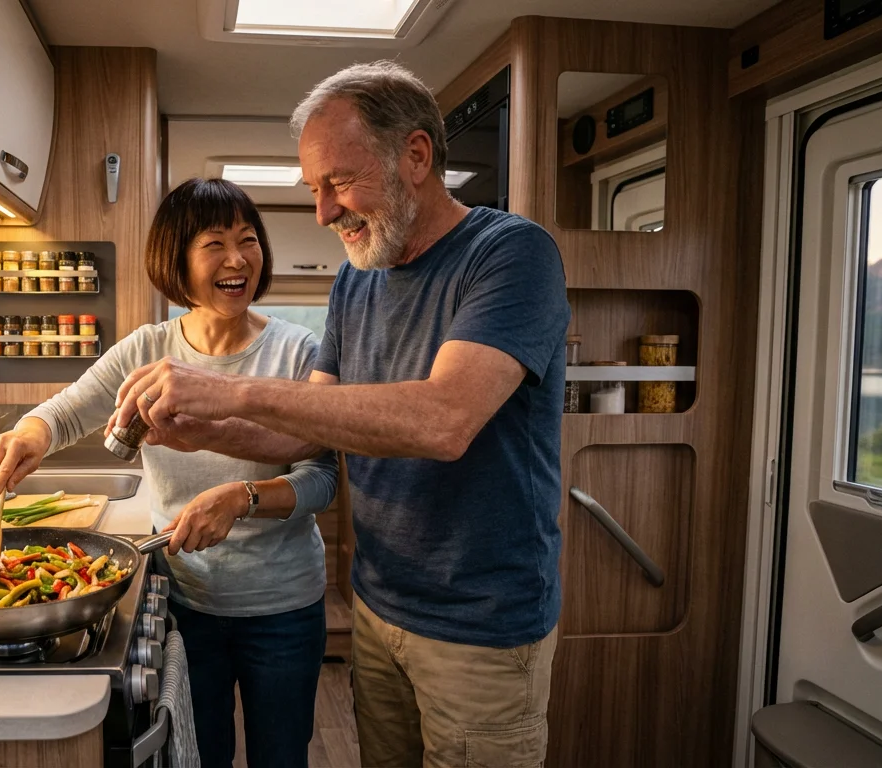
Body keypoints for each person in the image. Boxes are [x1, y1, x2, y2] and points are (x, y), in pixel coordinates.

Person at [109, 61, 570, 768]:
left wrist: (230, 392)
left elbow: (443, 420)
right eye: (314, 190)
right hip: (379, 609)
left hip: (481, 625)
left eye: (340, 182)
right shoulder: (358, 278)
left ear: (416, 156)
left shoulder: (510, 254)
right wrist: (199, 429)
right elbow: (306, 427)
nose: (324, 213)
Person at [0, 177, 338, 768]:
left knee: (282, 756)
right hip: (184, 602)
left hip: (283, 607)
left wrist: (242, 497)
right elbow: (66, 411)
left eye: (248, 240)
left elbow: (322, 479)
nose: (237, 259)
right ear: (176, 259)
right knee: (200, 753)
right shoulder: (147, 349)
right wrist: (28, 434)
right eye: (215, 244)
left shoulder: (298, 352)